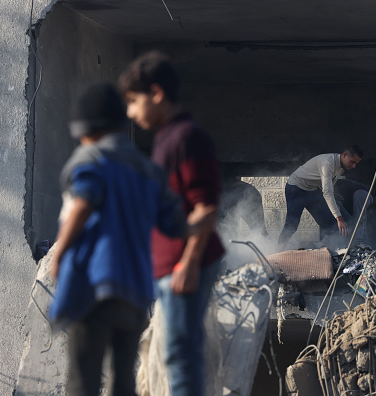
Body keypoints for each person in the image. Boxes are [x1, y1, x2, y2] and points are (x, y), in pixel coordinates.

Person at [48, 82, 210, 396]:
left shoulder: (93, 159)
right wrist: (198, 224)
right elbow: (176, 225)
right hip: (135, 293)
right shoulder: (149, 171)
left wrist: (60, 252)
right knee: (124, 381)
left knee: (84, 379)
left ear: (87, 128)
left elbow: (82, 203)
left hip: (94, 288)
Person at [119, 51, 224, 396]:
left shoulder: (185, 138)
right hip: (171, 265)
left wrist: (188, 264)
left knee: (180, 354)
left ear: (157, 93)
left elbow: (205, 207)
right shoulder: (167, 138)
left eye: (134, 102)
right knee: (172, 352)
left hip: (185, 264)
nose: (131, 112)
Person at [278, 146, 376, 246]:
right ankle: (279, 249)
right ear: (344, 155)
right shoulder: (327, 163)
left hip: (312, 190)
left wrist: (335, 208)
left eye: (356, 164)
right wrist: (339, 217)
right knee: (292, 225)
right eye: (352, 162)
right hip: (296, 188)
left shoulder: (342, 166)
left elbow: (331, 185)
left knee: (328, 221)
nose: (354, 166)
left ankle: (325, 249)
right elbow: (327, 191)